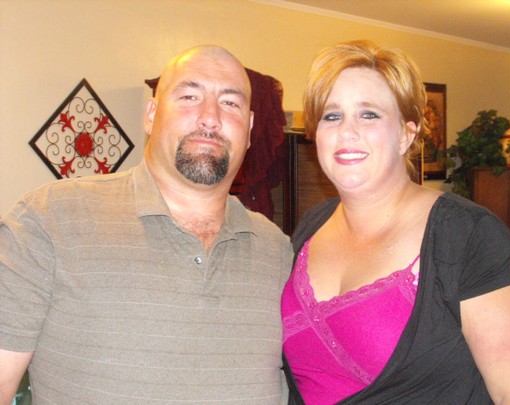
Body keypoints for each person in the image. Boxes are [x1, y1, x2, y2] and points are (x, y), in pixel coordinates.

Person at [0, 45, 293, 404]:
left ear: (249, 129)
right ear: (152, 115)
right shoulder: (49, 218)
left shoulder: (278, 249)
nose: (210, 118)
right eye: (189, 96)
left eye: (230, 103)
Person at [281, 40, 510, 404]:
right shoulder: (310, 226)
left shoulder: (469, 235)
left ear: (407, 133)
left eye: (369, 114)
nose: (346, 131)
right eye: (332, 116)